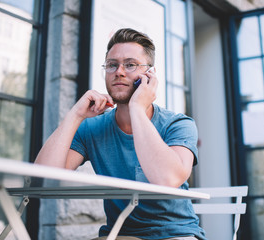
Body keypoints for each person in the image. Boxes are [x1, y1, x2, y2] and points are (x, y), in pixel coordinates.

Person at [35, 28, 206, 240]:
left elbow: (167, 179)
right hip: (119, 235)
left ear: (150, 74)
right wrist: (75, 114)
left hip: (176, 234)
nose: (120, 71)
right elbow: (43, 179)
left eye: (131, 64)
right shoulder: (92, 128)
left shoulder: (178, 124)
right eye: (112, 65)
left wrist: (137, 107)